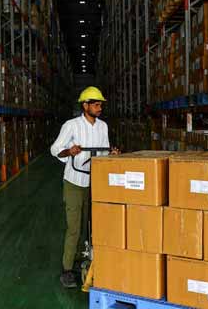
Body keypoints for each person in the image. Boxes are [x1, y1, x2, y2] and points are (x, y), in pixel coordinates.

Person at [50, 86, 118, 288]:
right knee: (74, 227)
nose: (100, 108)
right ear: (85, 105)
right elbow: (55, 149)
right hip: (74, 182)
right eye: (96, 104)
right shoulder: (71, 125)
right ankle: (67, 269)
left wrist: (111, 155)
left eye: (101, 105)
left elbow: (103, 154)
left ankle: (86, 257)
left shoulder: (103, 127)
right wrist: (68, 151)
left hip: (94, 183)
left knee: (92, 224)